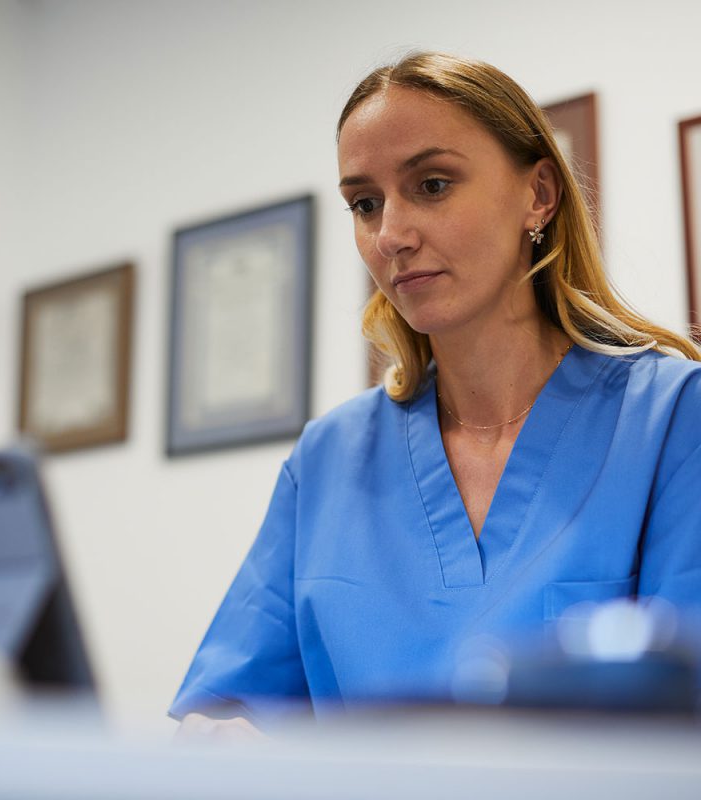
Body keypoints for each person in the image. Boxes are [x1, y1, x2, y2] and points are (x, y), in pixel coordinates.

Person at [170, 51, 701, 738]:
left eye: (433, 184)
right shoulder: (328, 460)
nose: (391, 234)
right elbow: (225, 707)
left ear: (538, 195)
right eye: (365, 204)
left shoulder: (670, 420)